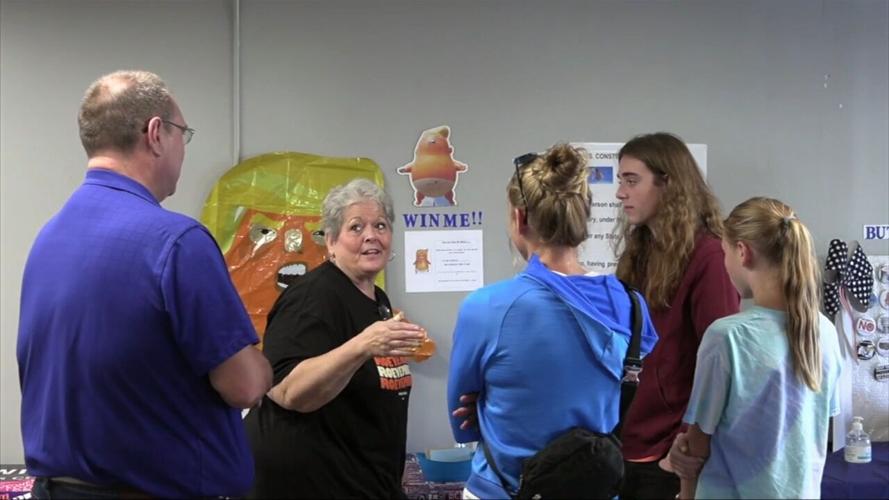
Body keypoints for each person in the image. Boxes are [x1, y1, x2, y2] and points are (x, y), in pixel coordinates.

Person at [16, 70, 273, 498]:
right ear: (156, 134)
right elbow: (243, 386)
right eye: (182, 134)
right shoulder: (177, 243)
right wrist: (264, 367)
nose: (182, 150)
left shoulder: (48, 240)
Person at [447, 144, 659, 499]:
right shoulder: (632, 305)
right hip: (594, 490)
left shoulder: (485, 308)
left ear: (520, 218)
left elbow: (462, 425)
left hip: (502, 490)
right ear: (584, 216)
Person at [245, 178, 427, 499]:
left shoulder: (377, 299)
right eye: (356, 227)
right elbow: (287, 390)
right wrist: (362, 345)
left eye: (380, 225)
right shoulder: (313, 297)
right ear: (331, 241)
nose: (371, 235)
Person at [662, 197, 842, 498]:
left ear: (742, 252)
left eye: (725, 253)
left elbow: (695, 448)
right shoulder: (825, 331)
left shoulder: (726, 336)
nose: (725, 263)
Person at [614, 132, 741, 499]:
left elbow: (721, 364)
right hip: (627, 439)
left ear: (668, 183)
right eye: (620, 180)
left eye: (631, 180)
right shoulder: (640, 251)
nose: (621, 192)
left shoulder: (710, 257)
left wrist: (685, 441)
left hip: (669, 451)